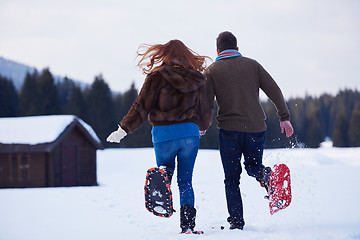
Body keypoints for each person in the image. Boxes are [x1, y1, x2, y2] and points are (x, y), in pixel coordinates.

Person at [106, 39, 212, 233]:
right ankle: (188, 226)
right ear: (186, 55)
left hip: (163, 134)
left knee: (166, 172)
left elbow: (141, 106)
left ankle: (162, 178)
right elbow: (204, 110)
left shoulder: (157, 77)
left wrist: (123, 129)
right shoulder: (197, 79)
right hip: (189, 134)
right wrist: (202, 127)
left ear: (165, 55)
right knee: (186, 181)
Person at [204, 31, 294, 230]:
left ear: (217, 50)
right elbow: (274, 90)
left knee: (231, 178)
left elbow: (207, 105)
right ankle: (269, 177)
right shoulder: (253, 65)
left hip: (228, 131)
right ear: (237, 48)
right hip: (256, 128)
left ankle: (236, 223)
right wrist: (284, 118)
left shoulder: (211, 71)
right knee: (253, 167)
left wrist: (203, 126)